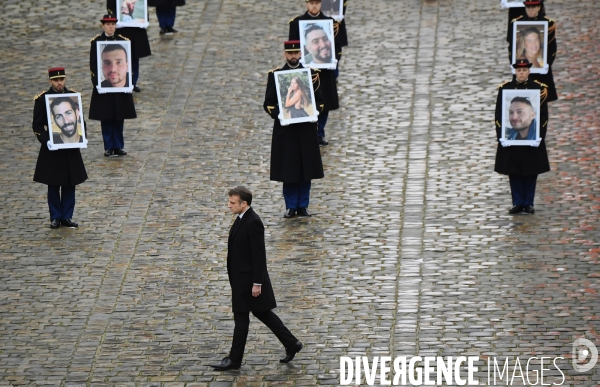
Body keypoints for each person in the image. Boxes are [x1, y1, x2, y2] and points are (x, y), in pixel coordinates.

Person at [210, 187, 303, 371]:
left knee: (242, 318)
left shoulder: (253, 222)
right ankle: (292, 344)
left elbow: (259, 255)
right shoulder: (241, 218)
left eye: (232, 203)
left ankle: (234, 359)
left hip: (249, 283)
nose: (229, 206)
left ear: (244, 203)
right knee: (263, 313)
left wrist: (257, 283)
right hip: (241, 280)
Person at [264, 40, 325, 218]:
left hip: (306, 130)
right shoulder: (275, 75)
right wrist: (280, 114)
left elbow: (320, 102)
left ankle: (303, 205)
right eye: (290, 53)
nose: (293, 56)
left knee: (306, 169)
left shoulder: (311, 75)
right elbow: (268, 103)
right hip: (286, 131)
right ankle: (291, 205)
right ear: (285, 54)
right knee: (288, 169)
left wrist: (313, 111)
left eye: (296, 53)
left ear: (301, 54)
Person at [32, 68, 87, 229]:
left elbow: (80, 120)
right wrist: (47, 141)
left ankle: (67, 216)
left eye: (61, 79)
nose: (59, 83)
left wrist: (82, 137)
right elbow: (37, 126)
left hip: (70, 148)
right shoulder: (42, 100)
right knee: (54, 183)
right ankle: (55, 216)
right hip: (53, 149)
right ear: (50, 81)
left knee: (70, 183)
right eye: (56, 80)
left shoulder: (73, 96)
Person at [494, 59, 550, 215]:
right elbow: (499, 115)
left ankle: (529, 203)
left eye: (524, 71)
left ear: (529, 72)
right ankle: (518, 202)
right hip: (512, 139)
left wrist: (539, 136)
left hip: (532, 139)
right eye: (519, 70)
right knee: (514, 170)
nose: (521, 73)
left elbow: (543, 116)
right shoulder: (506, 89)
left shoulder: (538, 89)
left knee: (531, 170)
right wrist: (502, 137)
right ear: (515, 71)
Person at [289, 0, 345, 145]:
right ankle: (309, 133)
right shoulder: (296, 23)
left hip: (325, 72)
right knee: (306, 101)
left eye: (317, 3)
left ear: (321, 4)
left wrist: (334, 60)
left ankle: (319, 132)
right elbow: (292, 48)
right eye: (311, 3)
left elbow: (337, 46)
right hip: (305, 70)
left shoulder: (330, 22)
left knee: (324, 102)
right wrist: (298, 63)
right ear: (306, 4)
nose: (314, 6)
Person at [89, 14, 137, 157]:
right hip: (104, 86)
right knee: (106, 116)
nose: (111, 27)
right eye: (108, 24)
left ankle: (118, 145)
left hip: (120, 86)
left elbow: (129, 64)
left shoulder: (124, 42)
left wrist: (128, 82)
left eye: (113, 24)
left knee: (119, 117)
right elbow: (93, 65)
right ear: (103, 25)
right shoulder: (96, 42)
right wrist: (97, 83)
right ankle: (108, 146)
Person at [507, 0, 557, 101]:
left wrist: (546, 64)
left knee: (542, 101)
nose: (530, 10)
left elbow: (552, 48)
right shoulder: (518, 22)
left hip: (542, 72)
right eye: (528, 7)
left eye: (533, 7)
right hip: (523, 70)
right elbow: (512, 48)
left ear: (539, 7)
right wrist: (515, 65)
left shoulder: (548, 23)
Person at [107, 1, 151, 92]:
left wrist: (145, 18)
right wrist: (114, 19)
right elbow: (110, 7)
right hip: (122, 30)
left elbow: (143, 6)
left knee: (135, 57)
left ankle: (133, 82)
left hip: (137, 31)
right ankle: (123, 82)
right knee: (121, 57)